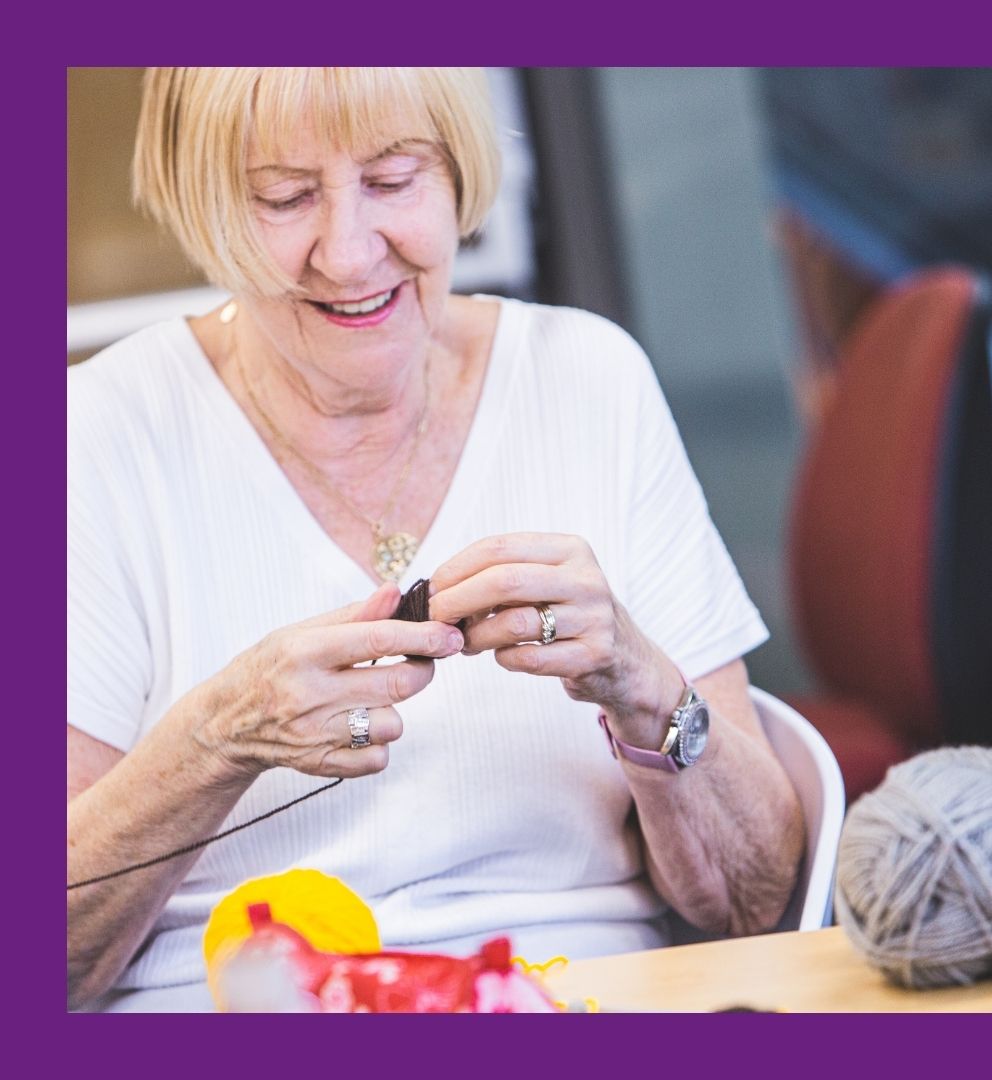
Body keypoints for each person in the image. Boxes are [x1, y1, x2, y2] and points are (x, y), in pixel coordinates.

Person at [67, 67, 804, 1013]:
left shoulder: (589, 380)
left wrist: (639, 677)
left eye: (392, 179)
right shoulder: (95, 436)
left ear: (458, 174)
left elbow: (758, 898)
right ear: (202, 207)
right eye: (283, 197)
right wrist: (213, 742)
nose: (349, 250)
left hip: (573, 1008)